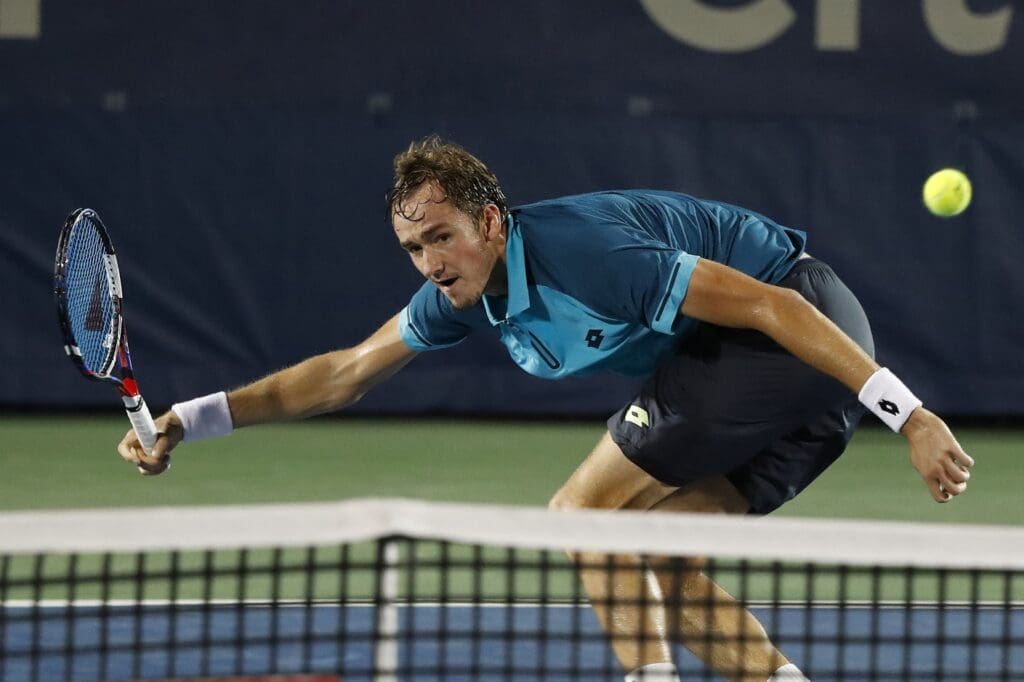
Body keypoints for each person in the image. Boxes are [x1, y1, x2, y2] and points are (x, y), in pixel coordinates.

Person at [118, 135, 973, 681]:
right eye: (413, 247)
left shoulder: (583, 252)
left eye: (441, 237)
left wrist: (911, 414)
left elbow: (774, 309)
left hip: (795, 325)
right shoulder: (455, 298)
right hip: (789, 382)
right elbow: (343, 374)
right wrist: (190, 419)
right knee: (662, 561)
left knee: (583, 512)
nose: (427, 261)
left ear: (490, 222)